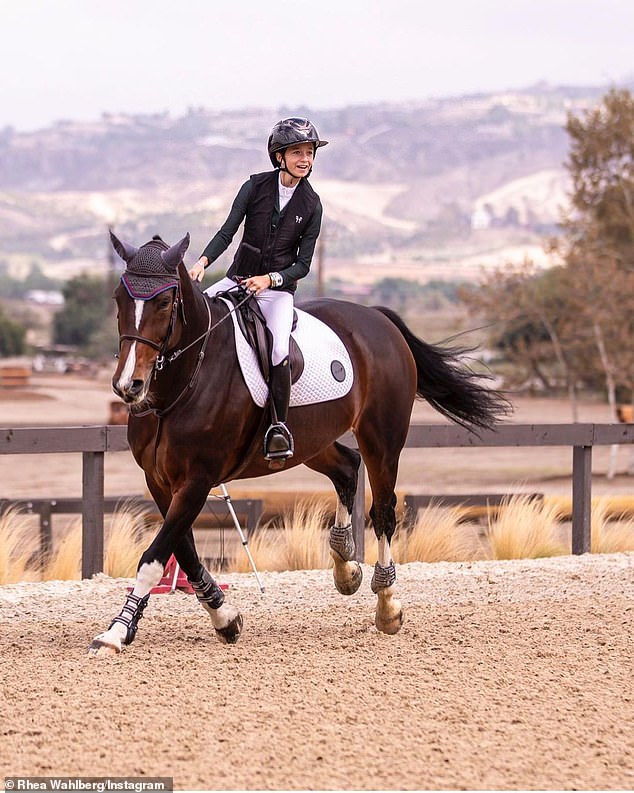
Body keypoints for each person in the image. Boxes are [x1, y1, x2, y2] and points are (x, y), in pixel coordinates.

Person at [189, 117, 327, 462]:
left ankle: (278, 427)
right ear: (279, 156)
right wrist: (203, 262)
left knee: (279, 349)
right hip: (236, 279)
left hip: (277, 293)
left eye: (309, 152)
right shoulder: (253, 188)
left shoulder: (312, 205)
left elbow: (303, 265)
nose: (305, 159)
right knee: (196, 323)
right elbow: (227, 232)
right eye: (297, 152)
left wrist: (270, 280)